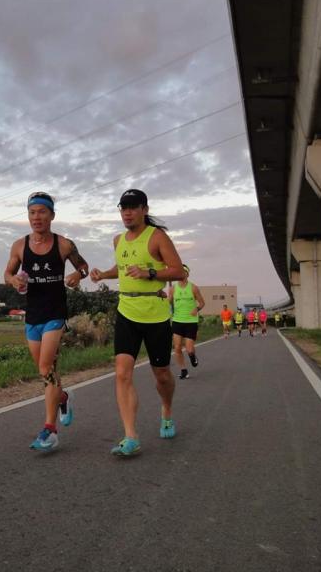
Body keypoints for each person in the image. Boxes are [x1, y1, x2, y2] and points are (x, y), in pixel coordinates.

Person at [90, 189, 185, 457]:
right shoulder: (118, 240)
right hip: (126, 311)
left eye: (133, 207)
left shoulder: (157, 237)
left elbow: (178, 270)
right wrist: (103, 274)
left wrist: (149, 272)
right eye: (123, 208)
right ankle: (130, 436)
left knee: (162, 375)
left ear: (144, 209)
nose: (127, 213)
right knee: (122, 373)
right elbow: (121, 269)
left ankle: (167, 410)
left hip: (155, 314)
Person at [4, 191, 89, 452]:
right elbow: (7, 273)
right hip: (33, 315)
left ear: (52, 215)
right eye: (32, 212)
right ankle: (63, 397)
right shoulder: (19, 246)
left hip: (55, 313)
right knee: (44, 371)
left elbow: (83, 266)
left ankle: (49, 430)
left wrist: (77, 275)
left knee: (46, 366)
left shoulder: (64, 245)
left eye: (42, 212)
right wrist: (14, 280)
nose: (36, 217)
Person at [169, 264, 205, 379]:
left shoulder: (193, 288)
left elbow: (202, 303)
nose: (180, 274)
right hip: (177, 320)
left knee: (189, 349)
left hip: (191, 321)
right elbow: (168, 302)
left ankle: (192, 355)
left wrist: (197, 309)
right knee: (177, 348)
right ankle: (183, 370)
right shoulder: (173, 288)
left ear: (187, 274)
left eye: (183, 272)